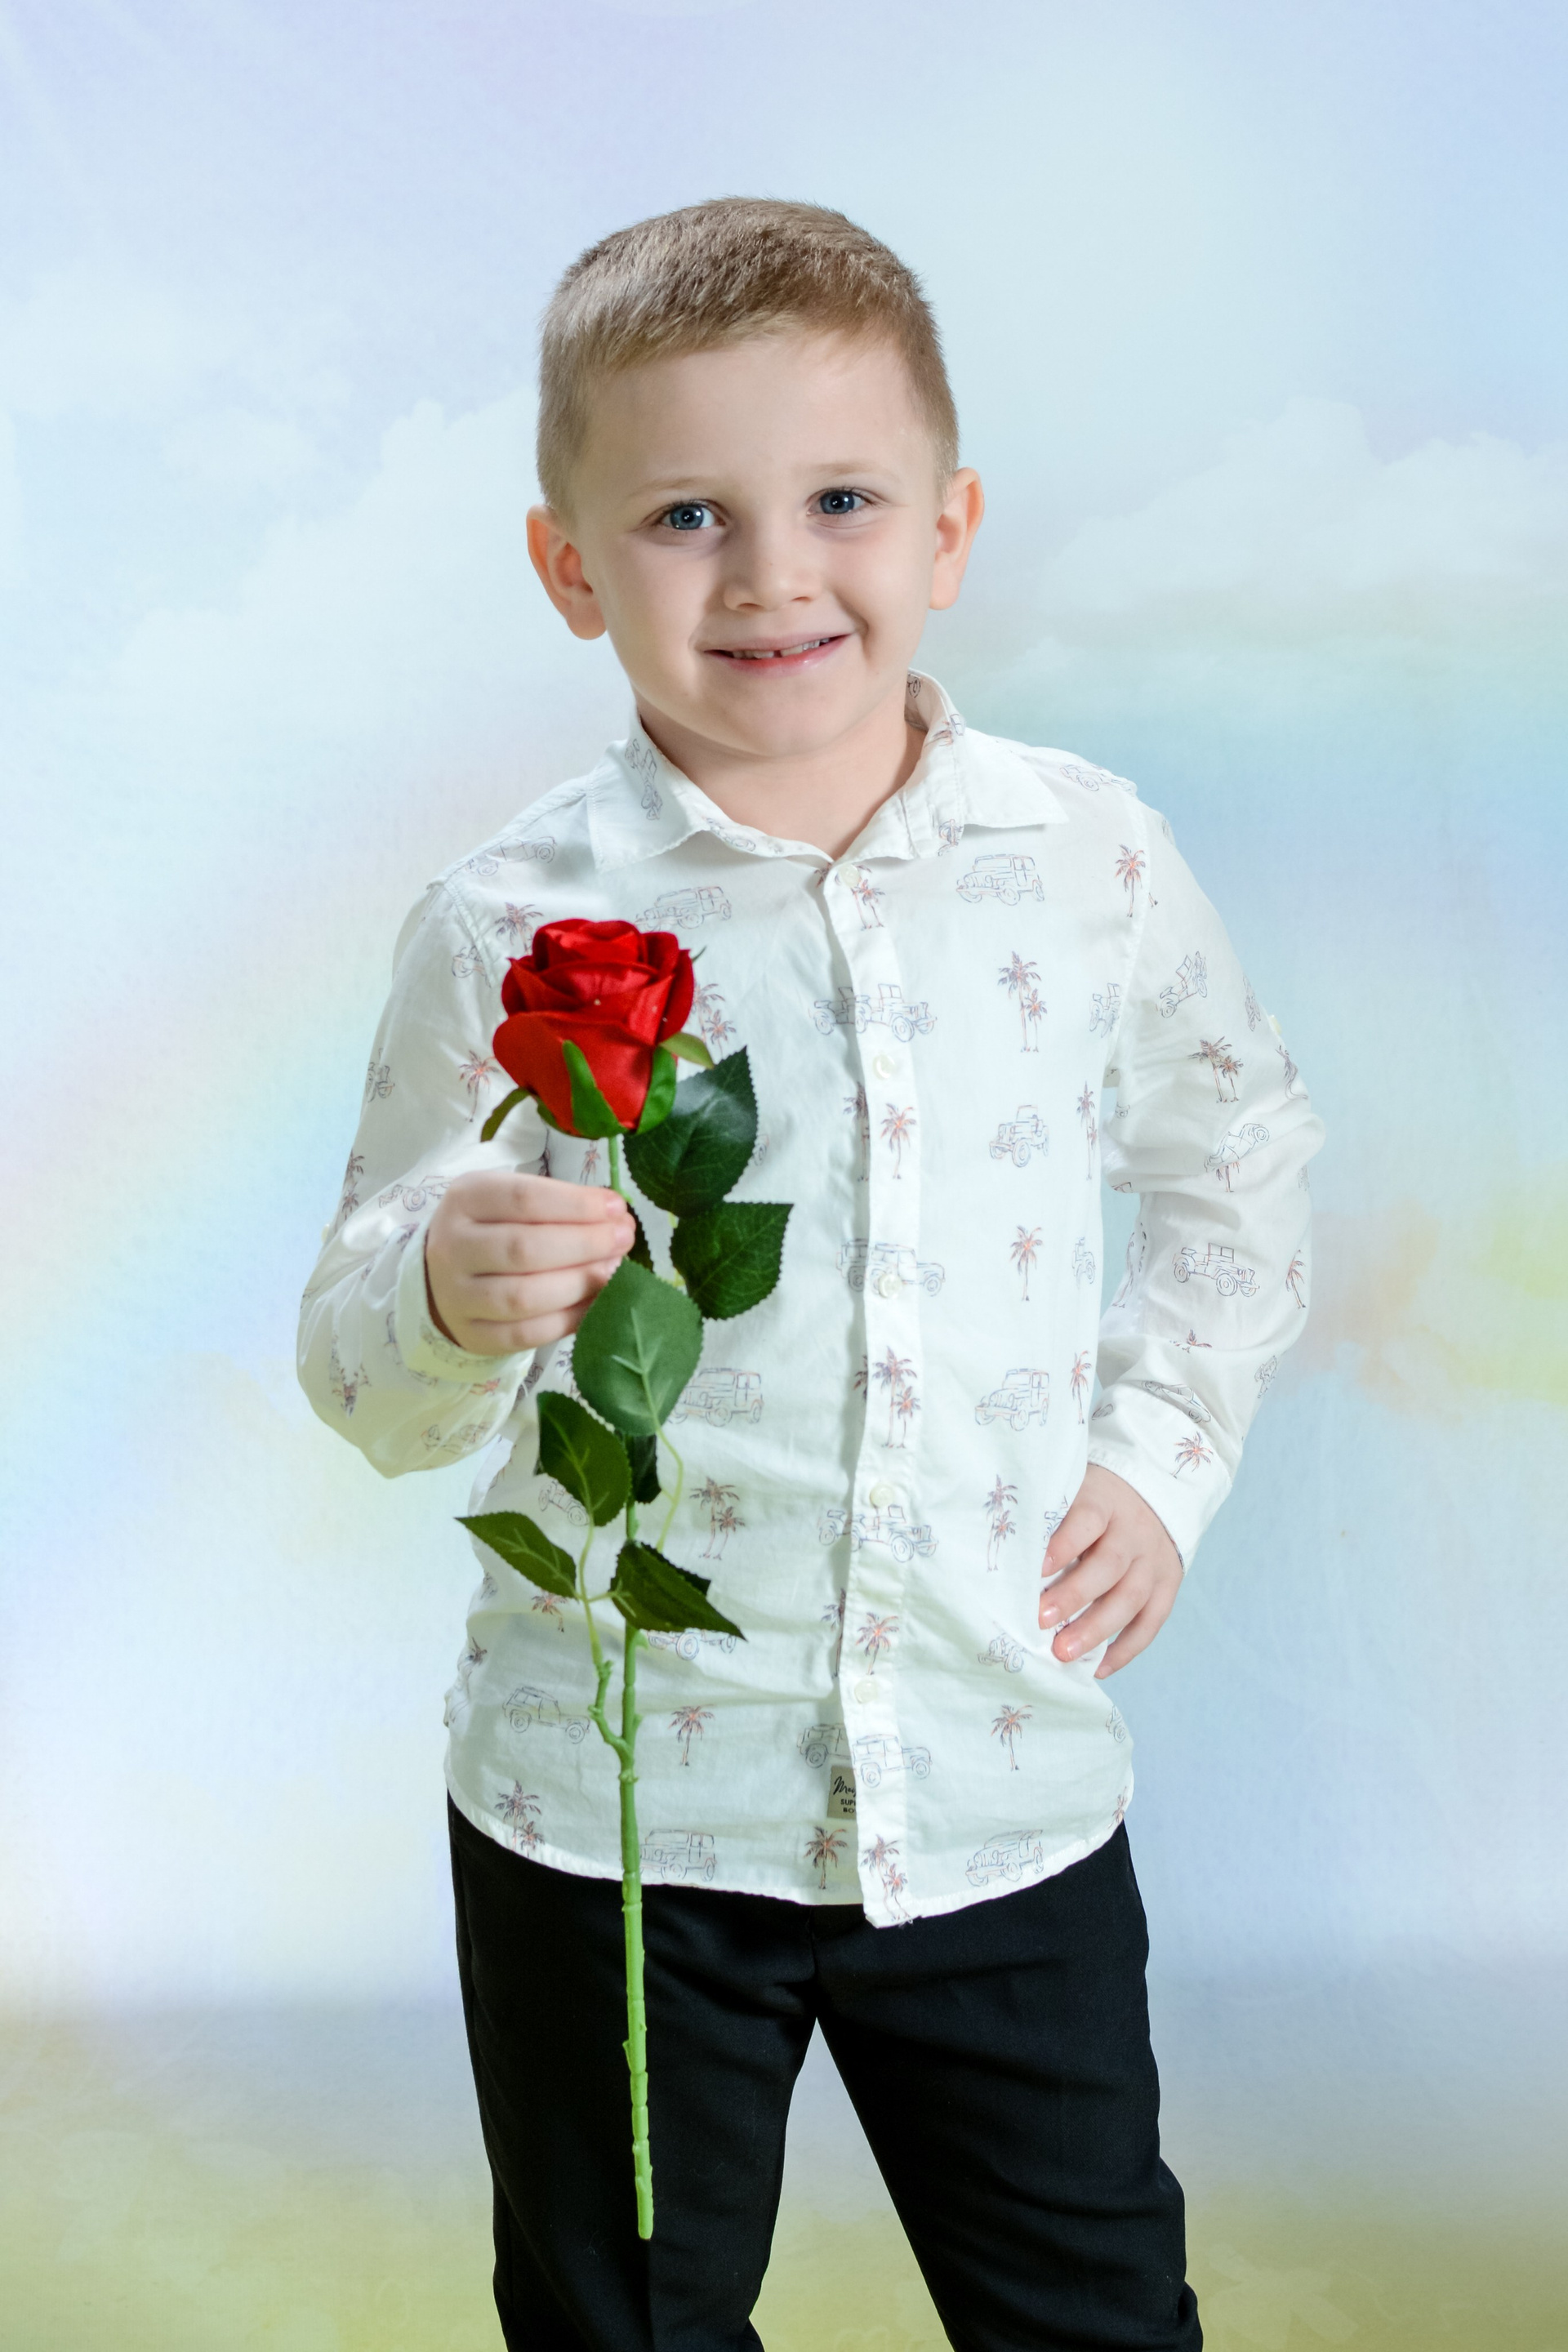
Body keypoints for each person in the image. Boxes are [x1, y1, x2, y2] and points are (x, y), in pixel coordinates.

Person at [298, 198, 1324, 2352]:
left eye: (841, 501)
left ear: (948, 530)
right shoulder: (505, 923)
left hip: (997, 1770)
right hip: (615, 1812)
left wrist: (1162, 1454)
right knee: (623, 2323)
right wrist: (444, 1298)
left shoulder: (1086, 858)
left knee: (1094, 2311)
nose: (772, 574)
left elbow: (1239, 1165)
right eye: (688, 515)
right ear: (571, 567)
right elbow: (359, 1368)